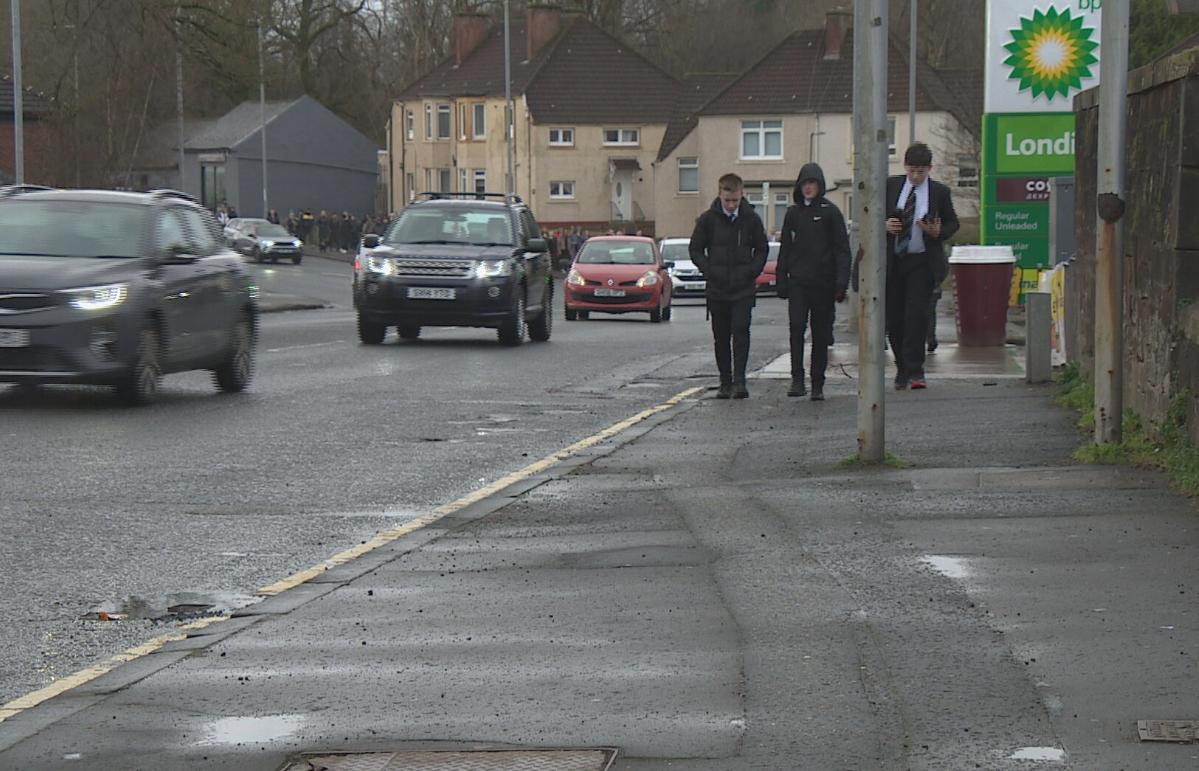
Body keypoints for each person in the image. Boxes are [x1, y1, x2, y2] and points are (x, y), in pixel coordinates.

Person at [885, 142, 959, 390]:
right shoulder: (891, 186)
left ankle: (916, 369)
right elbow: (873, 215)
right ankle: (901, 367)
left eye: (921, 171)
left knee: (916, 316)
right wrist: (887, 226)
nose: (916, 176)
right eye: (912, 171)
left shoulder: (939, 192)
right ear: (904, 166)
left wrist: (938, 231)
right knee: (894, 318)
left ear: (929, 168)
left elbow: (952, 223)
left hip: (922, 261)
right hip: (895, 261)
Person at [689, 172, 769, 399]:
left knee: (741, 332)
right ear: (720, 195)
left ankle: (740, 380)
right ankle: (725, 381)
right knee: (721, 336)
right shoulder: (708, 220)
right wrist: (710, 270)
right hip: (718, 288)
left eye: (735, 200)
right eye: (727, 201)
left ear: (741, 195)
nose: (732, 205)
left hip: (743, 288)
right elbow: (695, 249)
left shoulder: (751, 219)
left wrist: (751, 271)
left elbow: (761, 248)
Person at [776, 162, 850, 401]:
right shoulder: (793, 214)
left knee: (820, 333)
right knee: (796, 329)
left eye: (812, 183)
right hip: (798, 283)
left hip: (823, 284)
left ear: (820, 185)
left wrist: (841, 283)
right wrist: (781, 278)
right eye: (805, 184)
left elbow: (842, 250)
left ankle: (817, 381)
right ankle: (797, 378)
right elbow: (785, 248)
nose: (808, 188)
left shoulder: (831, 213)